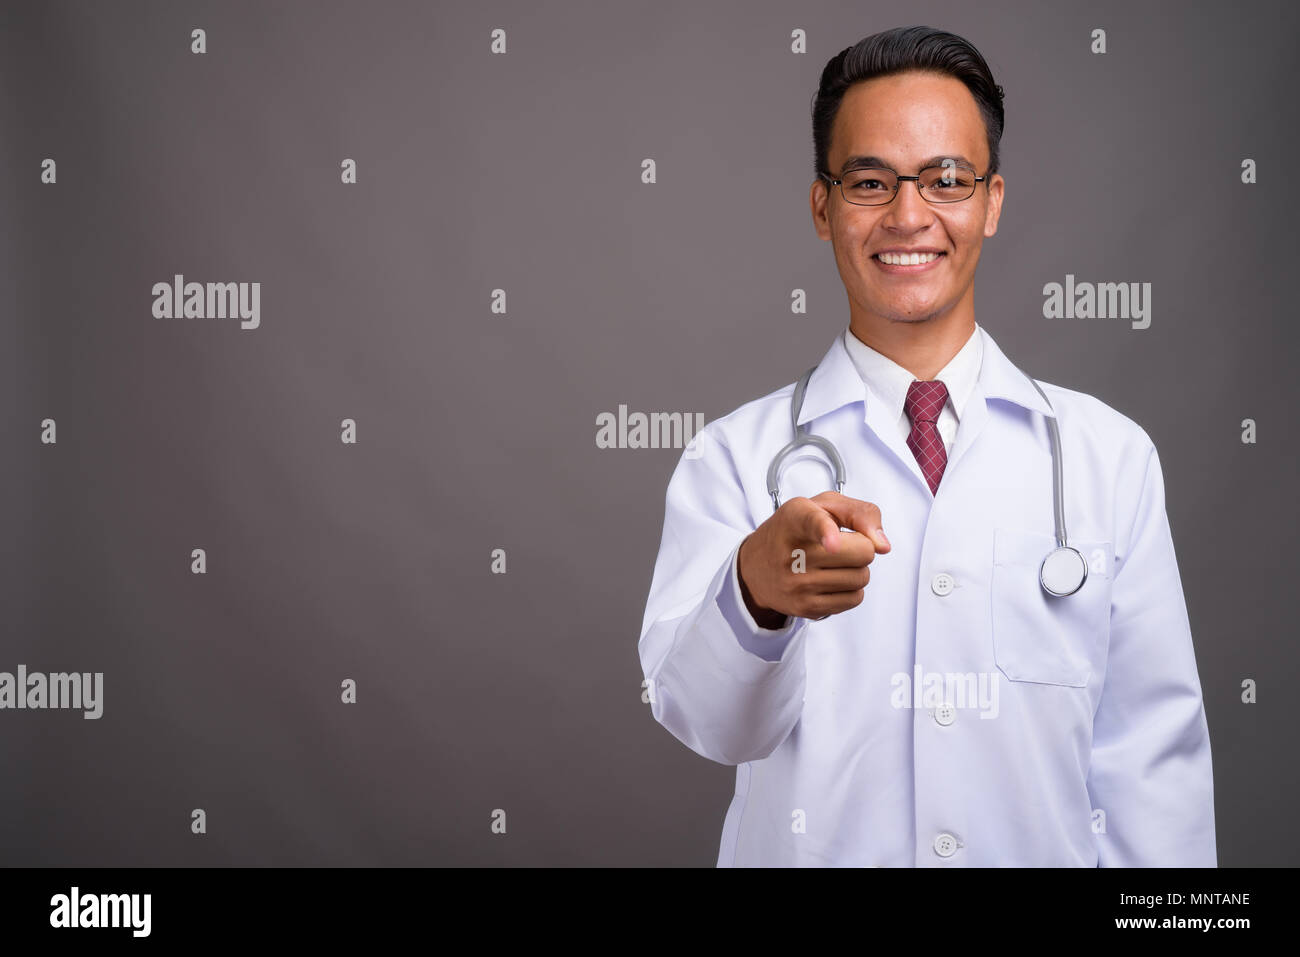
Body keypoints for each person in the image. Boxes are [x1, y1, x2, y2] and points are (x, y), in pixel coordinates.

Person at [637, 25, 1216, 867]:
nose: (910, 215)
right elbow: (706, 722)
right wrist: (758, 590)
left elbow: (1153, 773)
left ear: (992, 200)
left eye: (946, 178)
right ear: (822, 205)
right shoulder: (734, 456)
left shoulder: (1108, 457)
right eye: (870, 181)